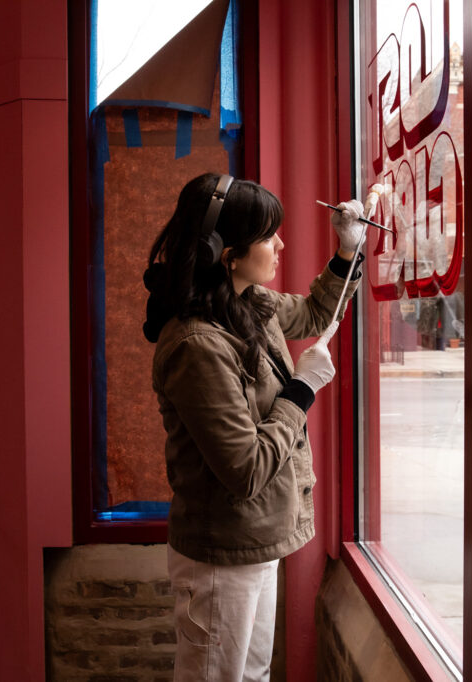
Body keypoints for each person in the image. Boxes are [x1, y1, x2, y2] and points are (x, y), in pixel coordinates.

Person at [142, 172, 366, 681]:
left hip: (253, 541)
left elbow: (313, 314)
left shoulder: (247, 303)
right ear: (227, 254)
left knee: (252, 675)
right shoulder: (197, 345)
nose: (280, 244)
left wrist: (346, 252)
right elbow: (244, 469)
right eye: (268, 236)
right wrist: (301, 389)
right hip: (220, 555)